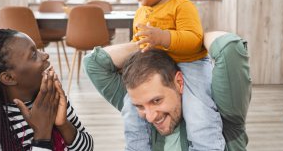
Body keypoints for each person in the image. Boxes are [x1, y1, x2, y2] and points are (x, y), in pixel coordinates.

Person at [116, 0, 224, 150]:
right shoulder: (140, 12)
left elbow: (194, 40)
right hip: (158, 69)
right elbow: (138, 44)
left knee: (198, 113)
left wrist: (162, 37)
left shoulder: (182, 6)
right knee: (130, 109)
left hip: (191, 66)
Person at [84, 31, 252, 151]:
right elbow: (94, 63)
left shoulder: (221, 110)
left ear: (179, 82)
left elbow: (229, 49)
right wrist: (153, 40)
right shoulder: (141, 120)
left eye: (156, 100)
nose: (150, 117)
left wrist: (187, 39)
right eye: (139, 106)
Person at [0, 29, 94, 151]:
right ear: (9, 78)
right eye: (33, 54)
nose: (45, 55)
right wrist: (42, 136)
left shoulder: (51, 101)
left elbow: (87, 148)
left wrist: (63, 125)